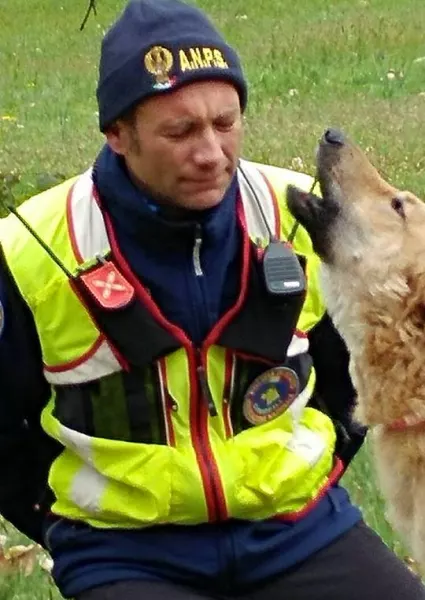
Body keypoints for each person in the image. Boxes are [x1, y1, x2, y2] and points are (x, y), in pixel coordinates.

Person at [0, 1, 423, 599]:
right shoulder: (33, 247)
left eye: (226, 124)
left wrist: (317, 476)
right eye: (180, 132)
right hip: (130, 554)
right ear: (117, 134)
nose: (212, 153)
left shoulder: (299, 213)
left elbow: (350, 368)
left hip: (296, 533)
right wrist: (60, 527)